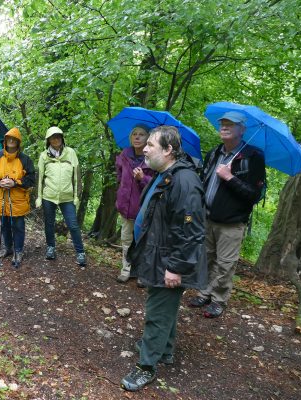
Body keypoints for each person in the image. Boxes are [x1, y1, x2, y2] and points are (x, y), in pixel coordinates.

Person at [120, 126, 206, 392]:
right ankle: (164, 350)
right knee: (166, 306)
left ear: (169, 150)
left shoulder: (184, 181)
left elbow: (191, 230)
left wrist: (175, 268)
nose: (144, 148)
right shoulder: (164, 174)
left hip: (170, 260)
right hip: (160, 254)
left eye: (151, 145)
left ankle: (146, 367)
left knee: (157, 311)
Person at [189, 111, 265, 318]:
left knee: (225, 263)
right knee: (206, 258)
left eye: (231, 124)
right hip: (207, 216)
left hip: (232, 222)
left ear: (242, 130)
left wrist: (229, 177)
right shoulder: (214, 153)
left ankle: (219, 299)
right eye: (222, 123)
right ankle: (204, 292)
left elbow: (253, 195)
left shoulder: (253, 157)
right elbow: (204, 181)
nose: (224, 127)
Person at [35, 126, 86, 267]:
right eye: (52, 137)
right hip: (49, 196)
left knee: (73, 225)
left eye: (58, 136)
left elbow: (77, 176)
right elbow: (39, 178)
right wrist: (38, 197)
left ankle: (80, 252)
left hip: (67, 197)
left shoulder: (71, 153)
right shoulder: (44, 156)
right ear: (48, 140)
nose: (55, 139)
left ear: (62, 138)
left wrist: (77, 195)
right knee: (49, 224)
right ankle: (50, 248)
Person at [0, 127, 35, 268]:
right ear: (5, 140)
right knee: (4, 225)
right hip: (0, 198)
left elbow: (31, 179)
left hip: (17, 200)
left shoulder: (25, 159)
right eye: (9, 138)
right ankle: (8, 248)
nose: (11, 140)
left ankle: (18, 251)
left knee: (18, 225)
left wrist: (15, 182)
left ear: (18, 142)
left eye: (14, 139)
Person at [115, 125, 155, 283]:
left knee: (143, 241)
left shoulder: (152, 159)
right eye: (134, 134)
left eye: (141, 135)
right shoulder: (124, 154)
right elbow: (119, 173)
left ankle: (141, 273)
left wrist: (142, 178)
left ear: (148, 139)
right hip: (126, 207)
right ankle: (126, 270)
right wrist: (121, 192)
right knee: (126, 240)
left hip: (143, 208)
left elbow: (157, 185)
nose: (137, 137)